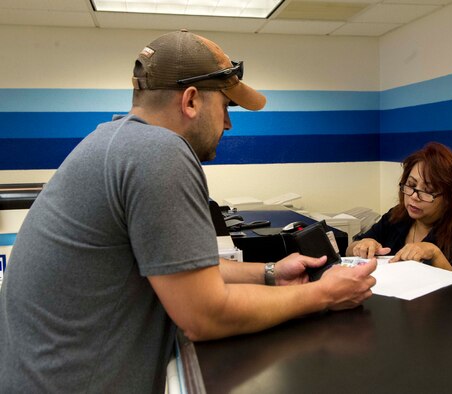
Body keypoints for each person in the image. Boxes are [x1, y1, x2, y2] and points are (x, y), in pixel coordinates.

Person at [0, 30, 376, 393]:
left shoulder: (118, 140)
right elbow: (205, 315)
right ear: (191, 100)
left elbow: (181, 266)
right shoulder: (158, 152)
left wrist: (270, 272)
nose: (228, 123)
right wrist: (325, 295)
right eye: (226, 106)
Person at [346, 142, 452, 287]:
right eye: (411, 185)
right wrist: (361, 245)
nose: (414, 196)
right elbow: (350, 249)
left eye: (427, 190)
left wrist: (435, 255)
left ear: (450, 198)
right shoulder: (396, 217)